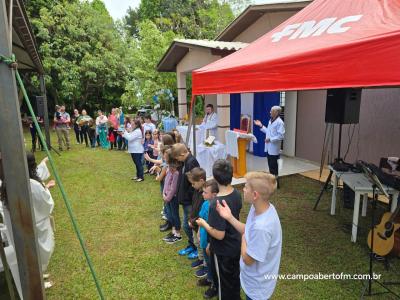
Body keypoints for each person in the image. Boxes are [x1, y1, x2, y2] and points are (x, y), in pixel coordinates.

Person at [216, 172, 282, 300]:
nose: (243, 189)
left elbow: (248, 259)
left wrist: (244, 238)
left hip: (257, 287)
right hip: (252, 279)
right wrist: (229, 217)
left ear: (255, 195)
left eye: (246, 187)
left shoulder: (262, 227)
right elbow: (248, 229)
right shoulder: (260, 207)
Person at [196, 159, 242, 300]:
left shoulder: (215, 203)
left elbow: (219, 234)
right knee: (233, 281)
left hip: (223, 251)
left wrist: (204, 224)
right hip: (235, 245)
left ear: (215, 178)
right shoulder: (236, 193)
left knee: (224, 286)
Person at [171, 143, 200, 258]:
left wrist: (187, 197)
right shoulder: (185, 161)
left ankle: (196, 247)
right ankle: (191, 244)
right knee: (187, 224)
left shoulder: (191, 162)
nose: (177, 160)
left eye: (177, 157)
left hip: (189, 201)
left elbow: (194, 182)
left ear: (182, 154)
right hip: (185, 200)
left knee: (189, 225)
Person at [254, 106, 285, 187]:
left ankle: (276, 184)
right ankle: (272, 182)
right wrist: (261, 126)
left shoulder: (280, 122)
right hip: (269, 147)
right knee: (271, 166)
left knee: (273, 167)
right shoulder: (271, 120)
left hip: (274, 148)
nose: (270, 112)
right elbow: (268, 132)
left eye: (271, 111)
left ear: (276, 112)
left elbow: (281, 136)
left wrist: (270, 139)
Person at [196, 179, 218, 288]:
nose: (202, 194)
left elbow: (214, 228)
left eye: (205, 192)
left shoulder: (216, 208)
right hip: (204, 240)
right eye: (203, 191)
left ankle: (214, 284)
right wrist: (199, 232)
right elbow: (201, 218)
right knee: (208, 262)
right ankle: (210, 278)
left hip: (211, 243)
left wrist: (210, 243)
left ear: (214, 195)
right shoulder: (205, 204)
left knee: (213, 263)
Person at [162, 151, 182, 244]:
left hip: (172, 198)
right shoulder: (169, 170)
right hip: (167, 196)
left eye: (165, 157)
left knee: (175, 215)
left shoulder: (176, 173)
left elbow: (173, 188)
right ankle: (174, 231)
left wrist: (167, 197)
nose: (163, 158)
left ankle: (178, 234)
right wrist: (164, 193)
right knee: (170, 214)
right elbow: (166, 182)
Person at [187, 168, 206, 261]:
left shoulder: (205, 195)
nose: (192, 185)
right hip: (194, 223)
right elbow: (193, 206)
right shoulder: (196, 191)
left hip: (199, 225)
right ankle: (200, 259)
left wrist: (193, 221)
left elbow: (202, 213)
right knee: (196, 242)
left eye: (193, 183)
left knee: (200, 243)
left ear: (201, 181)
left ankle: (205, 264)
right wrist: (190, 218)